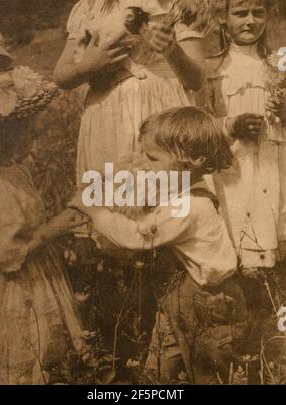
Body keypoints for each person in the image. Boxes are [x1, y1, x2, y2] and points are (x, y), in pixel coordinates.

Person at [68, 107, 248, 384]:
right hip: (183, 296)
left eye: (152, 158)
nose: (145, 163)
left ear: (193, 160)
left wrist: (94, 211)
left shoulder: (190, 206)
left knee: (208, 371)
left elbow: (136, 237)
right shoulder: (184, 196)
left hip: (208, 303)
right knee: (164, 364)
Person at [0, 41, 88, 384]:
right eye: (23, 129)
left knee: (48, 353)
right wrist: (54, 228)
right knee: (20, 355)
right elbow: (7, 253)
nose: (31, 136)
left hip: (40, 278)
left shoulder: (14, 171)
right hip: (12, 290)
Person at [53, 0, 206, 184]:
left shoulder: (178, 5)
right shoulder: (91, 7)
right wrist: (87, 66)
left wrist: (172, 50)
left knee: (167, 192)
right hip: (108, 114)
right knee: (114, 193)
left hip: (163, 113)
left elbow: (196, 81)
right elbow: (61, 76)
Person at [197, 0, 286, 283]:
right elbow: (200, 121)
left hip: (274, 159)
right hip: (233, 164)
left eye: (258, 13)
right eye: (240, 13)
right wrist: (232, 125)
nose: (250, 21)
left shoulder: (278, 64)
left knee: (273, 206)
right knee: (236, 216)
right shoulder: (214, 68)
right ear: (223, 18)